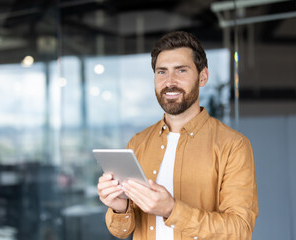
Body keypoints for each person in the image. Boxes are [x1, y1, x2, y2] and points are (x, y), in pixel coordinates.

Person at [97, 31, 258, 240]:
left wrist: (172, 210)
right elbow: (121, 230)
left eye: (181, 71)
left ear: (203, 77)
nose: (169, 82)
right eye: (161, 72)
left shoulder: (233, 145)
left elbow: (240, 230)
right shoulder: (138, 142)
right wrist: (120, 207)